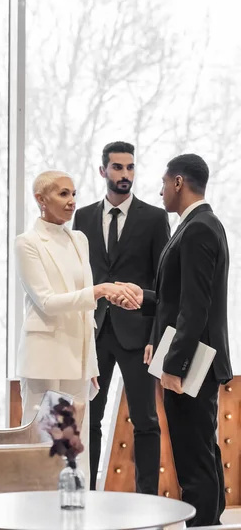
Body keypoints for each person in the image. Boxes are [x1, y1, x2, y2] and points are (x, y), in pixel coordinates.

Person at [115, 154, 233, 526]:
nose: (160, 190)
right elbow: (176, 301)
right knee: (202, 452)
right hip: (193, 360)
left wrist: (173, 366)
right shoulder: (197, 225)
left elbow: (195, 310)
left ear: (179, 182)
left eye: (164, 183)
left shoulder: (199, 228)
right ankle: (209, 524)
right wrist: (141, 297)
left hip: (193, 364)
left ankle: (204, 525)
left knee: (194, 460)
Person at [15, 170, 140, 485]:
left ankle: (72, 513)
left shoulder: (78, 239)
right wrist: (100, 291)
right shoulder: (27, 243)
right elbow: (47, 301)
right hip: (46, 357)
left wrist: (92, 362)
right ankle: (36, 514)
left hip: (77, 356)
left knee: (74, 450)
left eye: (73, 194)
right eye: (62, 194)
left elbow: (83, 309)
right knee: (44, 446)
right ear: (40, 199)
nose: (71, 201)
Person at [73, 141, 170, 492]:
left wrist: (154, 338)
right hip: (94, 332)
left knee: (146, 421)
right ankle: (87, 497)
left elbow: (164, 287)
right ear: (103, 171)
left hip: (138, 334)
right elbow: (79, 276)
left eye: (130, 167)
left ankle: (148, 500)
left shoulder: (155, 218)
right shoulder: (82, 217)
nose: (125, 174)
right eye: (117, 168)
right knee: (90, 419)